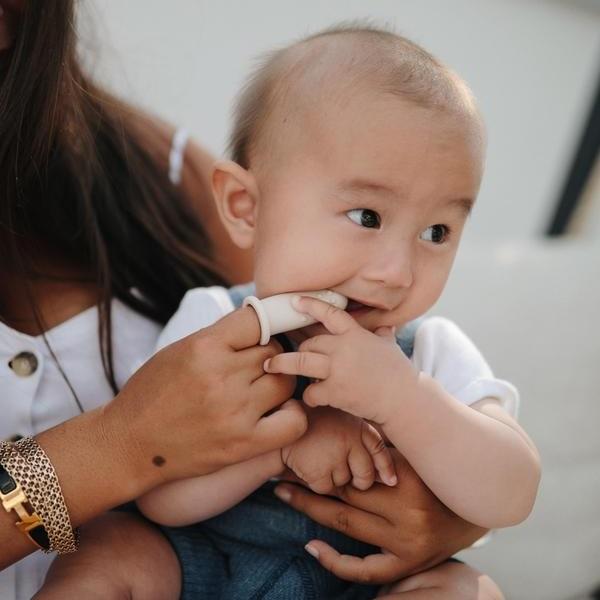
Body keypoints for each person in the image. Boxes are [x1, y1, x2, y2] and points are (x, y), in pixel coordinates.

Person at [0, 3, 493, 599]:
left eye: (437, 233)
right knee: (108, 550)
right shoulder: (212, 316)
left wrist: (447, 502)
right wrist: (267, 445)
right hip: (197, 567)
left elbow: (510, 489)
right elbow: (161, 498)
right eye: (367, 217)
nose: (395, 272)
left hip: (351, 578)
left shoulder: (433, 349)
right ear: (243, 208)